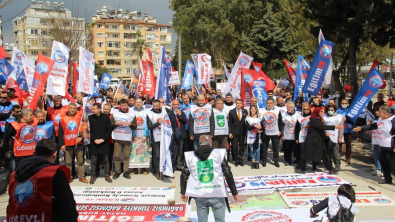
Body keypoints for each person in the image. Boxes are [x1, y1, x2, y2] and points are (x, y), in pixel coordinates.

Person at [7, 139, 78, 222]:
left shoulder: (14, 175)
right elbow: (68, 207)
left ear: (34, 154)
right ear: (54, 154)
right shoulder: (54, 173)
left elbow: (10, 207)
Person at [180, 135, 238, 222]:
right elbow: (228, 173)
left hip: (200, 194)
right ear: (210, 144)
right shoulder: (218, 154)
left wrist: (183, 192)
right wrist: (234, 192)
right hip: (217, 193)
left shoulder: (191, 156)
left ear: (199, 144)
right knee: (220, 220)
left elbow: (184, 175)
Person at [354, 105, 395, 184]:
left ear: (384, 112)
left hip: (391, 146)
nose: (378, 113)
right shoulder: (380, 120)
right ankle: (387, 179)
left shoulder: (393, 120)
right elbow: (371, 126)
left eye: (379, 112)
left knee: (393, 164)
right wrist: (361, 128)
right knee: (384, 163)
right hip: (382, 145)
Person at [295, 107, 342, 174]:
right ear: (317, 112)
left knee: (324, 155)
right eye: (320, 112)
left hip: (319, 141)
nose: (322, 113)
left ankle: (330, 169)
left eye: (322, 112)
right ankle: (298, 168)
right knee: (306, 155)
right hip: (311, 141)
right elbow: (321, 127)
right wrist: (334, 127)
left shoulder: (319, 119)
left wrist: (325, 133)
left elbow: (320, 129)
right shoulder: (314, 119)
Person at [58, 103, 86, 183]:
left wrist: (81, 137)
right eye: (71, 108)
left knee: (80, 161)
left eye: (74, 108)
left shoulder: (80, 117)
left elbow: (84, 128)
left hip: (78, 143)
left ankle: (81, 176)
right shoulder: (63, 118)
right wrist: (61, 144)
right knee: (68, 162)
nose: (73, 110)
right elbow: (60, 132)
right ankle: (69, 177)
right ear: (68, 108)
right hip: (67, 143)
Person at [111, 99, 136, 180]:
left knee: (126, 156)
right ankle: (117, 171)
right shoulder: (115, 113)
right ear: (120, 106)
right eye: (122, 106)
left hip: (127, 138)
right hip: (117, 137)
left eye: (125, 105)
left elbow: (135, 126)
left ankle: (126, 171)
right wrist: (116, 123)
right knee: (117, 156)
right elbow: (110, 125)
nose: (124, 107)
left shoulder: (131, 114)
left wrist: (130, 124)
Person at [88, 103, 112, 184]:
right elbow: (89, 130)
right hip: (94, 142)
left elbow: (109, 129)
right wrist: (94, 139)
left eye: (94, 109)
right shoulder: (90, 118)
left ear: (99, 109)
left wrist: (103, 139)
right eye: (92, 109)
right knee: (94, 160)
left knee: (105, 160)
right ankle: (93, 175)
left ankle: (107, 175)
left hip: (104, 142)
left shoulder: (106, 117)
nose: (93, 110)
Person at [260, 97, 283, 167]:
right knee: (264, 147)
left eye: (270, 103)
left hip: (275, 132)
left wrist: (280, 131)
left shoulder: (277, 110)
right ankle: (264, 160)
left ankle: (276, 160)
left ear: (273, 103)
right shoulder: (262, 111)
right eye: (268, 103)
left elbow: (280, 121)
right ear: (266, 103)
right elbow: (260, 121)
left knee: (275, 147)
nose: (269, 104)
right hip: (266, 132)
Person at [47, 95, 68, 164]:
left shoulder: (66, 109)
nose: (56, 102)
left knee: (66, 151)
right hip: (54, 134)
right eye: (55, 101)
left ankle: (68, 167)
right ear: (53, 101)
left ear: (61, 101)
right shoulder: (49, 110)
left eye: (58, 101)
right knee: (55, 152)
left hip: (63, 134)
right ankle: (55, 166)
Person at [130, 98, 150, 175]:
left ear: (142, 104)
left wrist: (145, 135)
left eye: (139, 102)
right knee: (134, 152)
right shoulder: (132, 112)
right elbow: (131, 124)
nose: (138, 104)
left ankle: (144, 168)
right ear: (135, 103)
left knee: (144, 151)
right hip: (135, 135)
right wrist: (133, 135)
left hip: (143, 135)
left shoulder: (146, 112)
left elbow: (147, 124)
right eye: (137, 102)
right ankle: (135, 169)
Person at [323, 104, 343, 171]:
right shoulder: (324, 116)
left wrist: (340, 137)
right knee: (328, 152)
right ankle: (329, 165)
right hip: (327, 136)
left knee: (335, 152)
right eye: (329, 110)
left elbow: (341, 128)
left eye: (332, 110)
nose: (330, 111)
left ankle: (337, 165)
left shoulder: (338, 117)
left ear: (334, 110)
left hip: (335, 136)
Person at [228, 99, 248, 167]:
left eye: (240, 103)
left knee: (242, 147)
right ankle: (236, 160)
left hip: (242, 132)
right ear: (235, 104)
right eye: (237, 103)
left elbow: (247, 121)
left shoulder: (245, 111)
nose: (238, 104)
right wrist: (230, 132)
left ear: (242, 104)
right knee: (235, 146)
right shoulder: (231, 112)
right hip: (234, 132)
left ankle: (241, 159)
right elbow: (230, 123)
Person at [147, 100, 163, 180]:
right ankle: (157, 171)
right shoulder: (150, 114)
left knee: (163, 154)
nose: (156, 108)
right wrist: (158, 123)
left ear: (160, 105)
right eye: (154, 106)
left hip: (163, 136)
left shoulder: (164, 112)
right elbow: (150, 127)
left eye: (157, 106)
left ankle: (162, 169)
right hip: (155, 136)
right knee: (156, 155)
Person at [336, 99, 354, 164]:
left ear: (347, 103)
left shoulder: (350, 110)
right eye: (343, 103)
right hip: (340, 129)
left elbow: (353, 119)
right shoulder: (338, 110)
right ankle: (338, 157)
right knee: (339, 144)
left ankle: (348, 157)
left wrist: (347, 119)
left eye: (345, 103)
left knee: (348, 144)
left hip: (348, 129)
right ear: (340, 104)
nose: (344, 104)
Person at [295, 102, 311, 169]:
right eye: (304, 109)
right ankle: (302, 166)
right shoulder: (300, 117)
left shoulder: (312, 117)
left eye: (307, 109)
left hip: (310, 136)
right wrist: (296, 138)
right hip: (302, 136)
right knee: (302, 152)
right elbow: (297, 128)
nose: (306, 110)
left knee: (310, 151)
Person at [102, 104, 115, 175]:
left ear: (110, 110)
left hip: (110, 139)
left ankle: (109, 169)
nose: (106, 110)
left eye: (107, 109)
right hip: (101, 139)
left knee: (110, 156)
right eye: (105, 109)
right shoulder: (100, 116)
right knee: (101, 156)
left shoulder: (112, 117)